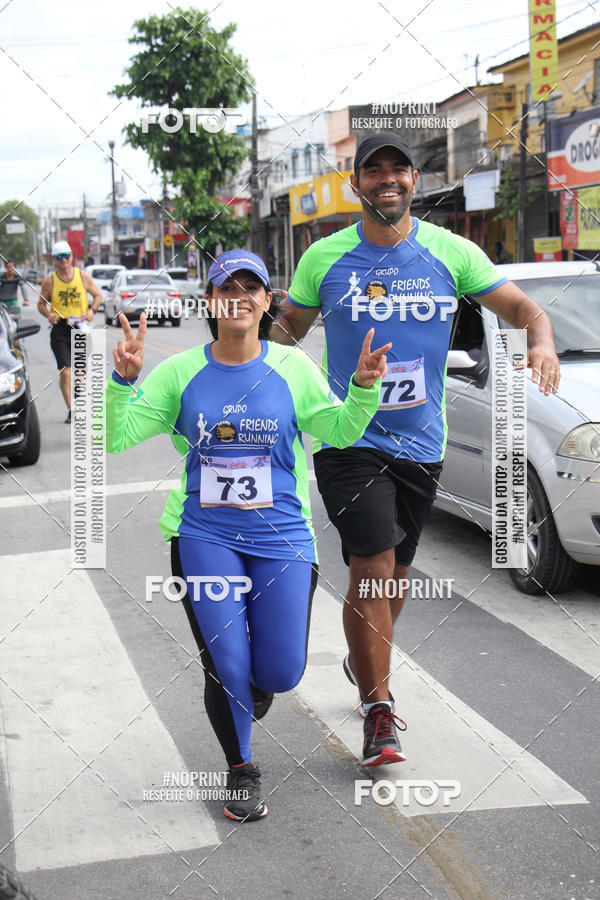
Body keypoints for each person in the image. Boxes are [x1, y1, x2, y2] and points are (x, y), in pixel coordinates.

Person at [271, 131, 560, 767]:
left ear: (414, 180)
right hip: (349, 437)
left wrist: (541, 341)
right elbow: (286, 332)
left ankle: (363, 658)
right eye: (373, 171)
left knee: (395, 578)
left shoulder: (451, 252)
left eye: (397, 170)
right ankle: (379, 710)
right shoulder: (324, 258)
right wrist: (250, 347)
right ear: (356, 184)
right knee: (372, 566)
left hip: (422, 444)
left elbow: (525, 309)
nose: (387, 180)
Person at [103, 249, 390, 821]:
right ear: (210, 302)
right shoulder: (180, 372)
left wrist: (362, 387)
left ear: (267, 301)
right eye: (226, 289)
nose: (238, 297)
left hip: (282, 536)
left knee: (280, 672)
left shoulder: (292, 367)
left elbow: (340, 430)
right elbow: (115, 438)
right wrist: (121, 382)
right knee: (227, 663)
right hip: (204, 534)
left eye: (250, 287)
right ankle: (241, 768)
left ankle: (253, 687)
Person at [37, 241, 103, 422]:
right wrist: (48, 315)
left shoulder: (82, 277)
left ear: (72, 257)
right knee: (66, 372)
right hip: (60, 329)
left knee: (80, 373)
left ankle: (79, 402)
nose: (63, 260)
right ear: (54, 259)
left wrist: (92, 310)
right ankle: (71, 409)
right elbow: (41, 304)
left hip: (80, 328)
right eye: (59, 257)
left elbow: (98, 295)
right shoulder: (50, 281)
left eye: (66, 256)